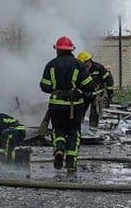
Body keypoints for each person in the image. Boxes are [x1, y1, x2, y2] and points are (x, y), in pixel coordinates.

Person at [40, 36, 95, 171]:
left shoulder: (50, 65)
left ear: (57, 50)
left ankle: (59, 149)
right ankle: (71, 164)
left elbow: (45, 86)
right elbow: (88, 85)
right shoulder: (78, 64)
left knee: (58, 130)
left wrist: (55, 89)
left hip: (56, 105)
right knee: (73, 133)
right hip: (75, 106)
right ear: (71, 50)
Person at [77, 51, 115, 128]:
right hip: (85, 94)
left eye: (83, 63)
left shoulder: (98, 67)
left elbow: (108, 79)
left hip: (97, 95)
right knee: (80, 111)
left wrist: (109, 92)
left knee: (95, 113)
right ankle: (78, 128)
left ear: (88, 61)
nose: (82, 65)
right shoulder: (80, 70)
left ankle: (93, 130)